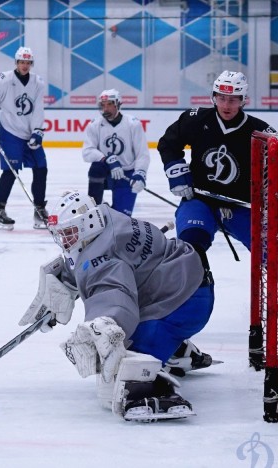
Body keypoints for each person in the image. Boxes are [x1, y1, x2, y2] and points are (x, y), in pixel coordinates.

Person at [18, 190, 216, 421]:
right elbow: (100, 262)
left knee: (119, 367)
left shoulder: (101, 256)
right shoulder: (108, 220)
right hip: (184, 281)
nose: (64, 240)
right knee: (128, 336)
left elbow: (114, 293)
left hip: (183, 302)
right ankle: (175, 350)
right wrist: (67, 280)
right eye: (61, 234)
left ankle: (156, 382)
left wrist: (103, 324)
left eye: (69, 233)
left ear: (87, 223)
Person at [158, 70, 276, 253]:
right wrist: (177, 173)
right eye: (221, 98)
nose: (226, 105)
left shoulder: (260, 131)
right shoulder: (196, 119)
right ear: (213, 97)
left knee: (271, 254)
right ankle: (202, 281)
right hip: (199, 200)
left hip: (242, 206)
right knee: (190, 250)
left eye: (233, 99)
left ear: (243, 99)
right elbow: (168, 143)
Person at [0, 46, 48, 230]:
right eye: (22, 62)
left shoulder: (38, 82)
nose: (25, 66)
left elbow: (38, 108)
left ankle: (40, 210)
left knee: (41, 168)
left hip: (29, 133)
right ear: (16, 63)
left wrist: (37, 131)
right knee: (11, 171)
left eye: (28, 63)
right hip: (10, 132)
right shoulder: (3, 80)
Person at [82, 89, 150, 216]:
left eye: (109, 104)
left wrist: (140, 174)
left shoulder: (133, 124)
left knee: (122, 218)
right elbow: (87, 152)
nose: (105, 108)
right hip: (106, 172)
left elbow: (142, 154)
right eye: (103, 105)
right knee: (96, 168)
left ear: (118, 104)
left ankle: (108, 209)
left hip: (126, 174)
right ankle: (95, 206)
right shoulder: (94, 125)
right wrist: (106, 159)